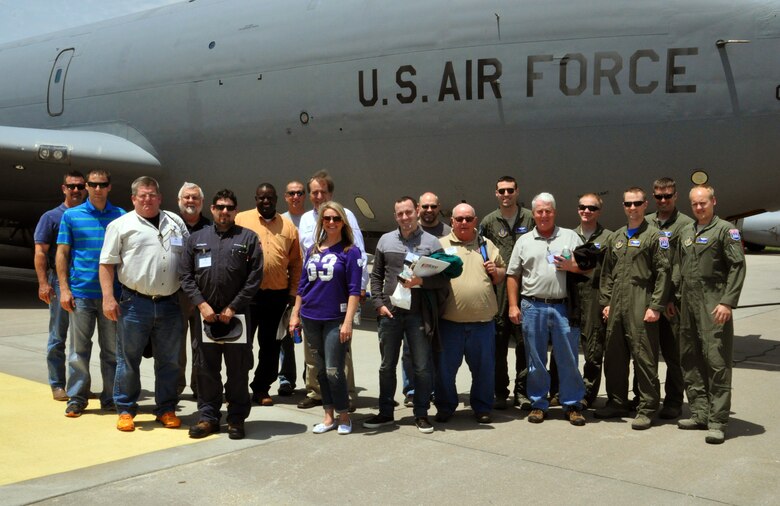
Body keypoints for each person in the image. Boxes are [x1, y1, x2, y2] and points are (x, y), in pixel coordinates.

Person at [100, 176, 189, 432]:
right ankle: (126, 409)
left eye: (152, 195)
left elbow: (186, 257)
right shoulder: (121, 225)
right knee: (128, 359)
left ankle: (166, 409)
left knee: (170, 361)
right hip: (134, 303)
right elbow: (106, 264)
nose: (148, 199)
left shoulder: (175, 222)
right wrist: (108, 297)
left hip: (170, 303)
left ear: (160, 198)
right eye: (142, 195)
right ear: (133, 199)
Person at [180, 189, 263, 440]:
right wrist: (201, 305)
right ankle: (208, 417)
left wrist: (233, 307)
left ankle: (236, 418)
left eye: (229, 207)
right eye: (220, 207)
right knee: (206, 368)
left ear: (235, 210)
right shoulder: (197, 239)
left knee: (238, 369)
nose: (224, 211)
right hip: (205, 316)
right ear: (213, 209)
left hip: (236, 317)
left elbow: (254, 277)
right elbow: (185, 275)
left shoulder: (248, 238)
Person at [363, 196, 447, 434]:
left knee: (421, 366)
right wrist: (378, 303)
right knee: (386, 366)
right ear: (395, 215)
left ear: (417, 211)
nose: (405, 217)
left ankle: (421, 413)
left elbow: (443, 279)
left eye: (408, 212)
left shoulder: (432, 243)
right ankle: (386, 412)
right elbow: (376, 275)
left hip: (418, 315)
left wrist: (422, 281)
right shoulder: (386, 240)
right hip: (390, 313)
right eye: (400, 214)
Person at [506, 192, 587, 426]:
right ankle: (539, 403)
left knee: (569, 358)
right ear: (534, 214)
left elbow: (587, 267)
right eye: (539, 211)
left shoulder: (571, 237)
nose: (543, 215)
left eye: (548, 211)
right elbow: (513, 275)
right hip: (532, 306)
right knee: (536, 359)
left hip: (562, 307)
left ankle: (572, 404)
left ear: (555, 212)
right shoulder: (524, 241)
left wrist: (572, 266)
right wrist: (512, 305)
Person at [676, 185, 746, 444]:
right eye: (694, 204)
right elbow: (678, 266)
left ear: (713, 201)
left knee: (716, 361)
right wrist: (673, 298)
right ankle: (699, 413)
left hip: (713, 303)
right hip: (687, 303)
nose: (698, 207)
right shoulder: (686, 232)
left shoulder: (727, 231)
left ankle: (717, 420)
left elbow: (737, 266)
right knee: (690, 358)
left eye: (703, 203)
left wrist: (727, 302)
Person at [596, 187, 670, 430]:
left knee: (644, 356)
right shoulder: (616, 236)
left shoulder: (656, 236)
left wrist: (656, 305)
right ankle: (617, 401)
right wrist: (606, 302)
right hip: (617, 300)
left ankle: (647, 407)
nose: (632, 208)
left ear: (645, 204)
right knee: (615, 355)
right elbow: (607, 273)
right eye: (628, 204)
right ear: (623, 206)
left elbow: (663, 272)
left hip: (641, 298)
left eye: (637, 203)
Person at [55, 169, 124, 417]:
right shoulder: (72, 216)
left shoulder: (121, 216)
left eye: (102, 184)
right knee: (78, 350)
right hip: (81, 293)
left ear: (109, 187)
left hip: (111, 295)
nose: (97, 189)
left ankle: (111, 397)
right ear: (86, 186)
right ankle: (77, 397)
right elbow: (62, 253)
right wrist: (63, 289)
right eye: (92, 185)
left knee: (112, 351)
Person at [289, 201, 362, 435]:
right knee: (320, 369)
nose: (331, 222)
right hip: (310, 316)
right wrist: (295, 314)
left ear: (343, 222)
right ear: (321, 222)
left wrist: (348, 321)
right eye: (327, 218)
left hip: (335, 318)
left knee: (334, 369)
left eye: (336, 218)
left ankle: (343, 415)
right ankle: (328, 415)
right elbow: (302, 285)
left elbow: (354, 290)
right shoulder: (313, 249)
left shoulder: (351, 251)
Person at [297, 170, 366, 410]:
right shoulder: (306, 219)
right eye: (314, 192)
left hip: (337, 298)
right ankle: (316, 392)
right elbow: (305, 257)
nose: (318, 196)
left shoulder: (344, 215)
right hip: (313, 300)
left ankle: (344, 395)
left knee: (339, 353)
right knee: (313, 354)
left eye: (322, 192)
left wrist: (361, 288)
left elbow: (357, 250)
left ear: (330, 193)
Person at [435, 203, 505, 424]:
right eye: (459, 219)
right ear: (452, 222)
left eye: (468, 219)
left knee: (484, 370)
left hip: (482, 323)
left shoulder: (486, 245)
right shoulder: (441, 245)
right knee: (445, 371)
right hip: (449, 323)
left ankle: (483, 407)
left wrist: (497, 272)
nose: (463, 222)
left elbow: (502, 273)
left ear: (475, 221)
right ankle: (445, 407)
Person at [235, 183, 302, 406]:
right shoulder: (241, 220)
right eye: (261, 197)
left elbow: (295, 264)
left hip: (276, 296)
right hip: (246, 296)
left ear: (276, 199)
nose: (266, 201)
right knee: (241, 346)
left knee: (271, 346)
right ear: (255, 198)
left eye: (270, 198)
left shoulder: (288, 227)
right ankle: (237, 387)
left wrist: (293, 294)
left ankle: (262, 388)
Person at [479, 176, 535, 410]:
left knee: (525, 344)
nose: (506, 195)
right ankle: (500, 392)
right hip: (498, 291)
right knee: (498, 344)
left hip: (527, 288)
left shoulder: (530, 217)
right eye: (501, 191)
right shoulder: (490, 221)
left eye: (510, 190)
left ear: (517, 191)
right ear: (496, 193)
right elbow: (481, 251)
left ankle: (522, 392)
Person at [34, 170, 86, 401]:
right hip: (59, 282)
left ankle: (79, 386)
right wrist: (44, 283)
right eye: (71, 186)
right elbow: (40, 253)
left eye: (79, 186)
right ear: (63, 188)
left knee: (81, 340)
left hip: (84, 282)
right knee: (58, 336)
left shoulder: (89, 215)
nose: (75, 190)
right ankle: (57, 384)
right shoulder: (51, 217)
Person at [644, 177, 693, 419]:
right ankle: (644, 398)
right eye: (659, 197)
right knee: (645, 353)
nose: (663, 200)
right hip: (647, 300)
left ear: (676, 196)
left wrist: (670, 298)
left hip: (672, 302)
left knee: (674, 355)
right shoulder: (645, 222)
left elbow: (682, 266)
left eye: (668, 196)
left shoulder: (686, 225)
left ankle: (673, 401)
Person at [399, 190, 449, 407]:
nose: (429, 210)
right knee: (410, 349)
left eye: (433, 207)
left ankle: (433, 388)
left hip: (436, 298)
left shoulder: (447, 232)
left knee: (436, 348)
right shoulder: (407, 231)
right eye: (425, 206)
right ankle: (411, 390)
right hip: (409, 299)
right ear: (418, 208)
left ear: (439, 208)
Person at [573, 193, 612, 408]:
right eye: (583, 207)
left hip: (595, 296)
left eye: (592, 208)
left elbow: (613, 270)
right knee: (565, 347)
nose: (587, 211)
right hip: (571, 296)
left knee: (593, 348)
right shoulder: (568, 236)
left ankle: (587, 394)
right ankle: (562, 390)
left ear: (599, 211)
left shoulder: (609, 238)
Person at [176, 182, 212, 398]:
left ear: (202, 202)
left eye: (195, 198)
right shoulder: (170, 225)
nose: (191, 201)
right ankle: (176, 388)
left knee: (201, 346)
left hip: (202, 295)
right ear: (179, 201)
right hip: (176, 294)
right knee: (175, 345)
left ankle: (200, 388)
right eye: (187, 197)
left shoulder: (210, 228)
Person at [276, 180, 306, 396]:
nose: (296, 197)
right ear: (285, 197)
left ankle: (311, 378)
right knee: (285, 336)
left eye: (299, 193)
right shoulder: (280, 222)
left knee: (312, 337)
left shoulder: (312, 220)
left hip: (312, 286)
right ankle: (286, 379)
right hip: (287, 286)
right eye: (291, 193)